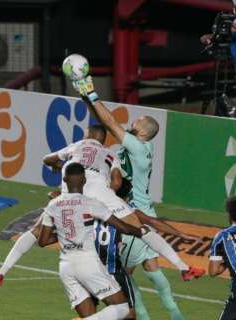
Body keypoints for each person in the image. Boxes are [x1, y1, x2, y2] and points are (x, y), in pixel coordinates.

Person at [0, 125, 202, 318]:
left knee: (34, 233)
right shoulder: (109, 154)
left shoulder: (75, 147)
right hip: (97, 196)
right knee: (142, 229)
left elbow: (47, 159)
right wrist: (110, 196)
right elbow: (117, 182)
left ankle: (1, 272)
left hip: (68, 234)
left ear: (87, 135)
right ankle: (183, 267)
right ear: (103, 139)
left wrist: (59, 169)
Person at [74, 76, 203, 320]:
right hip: (132, 209)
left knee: (125, 271)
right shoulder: (137, 148)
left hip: (133, 211)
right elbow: (104, 123)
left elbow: (111, 124)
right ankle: (179, 290)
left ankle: (158, 305)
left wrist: (92, 94)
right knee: (148, 268)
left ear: (143, 131)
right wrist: (86, 98)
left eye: (138, 121)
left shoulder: (139, 148)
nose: (133, 121)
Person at [38, 162, 152, 320]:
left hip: (65, 268)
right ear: (84, 181)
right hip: (87, 263)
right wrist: (140, 231)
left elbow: (42, 241)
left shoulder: (53, 205)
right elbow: (123, 227)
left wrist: (64, 234)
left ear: (64, 179)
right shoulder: (91, 203)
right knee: (124, 310)